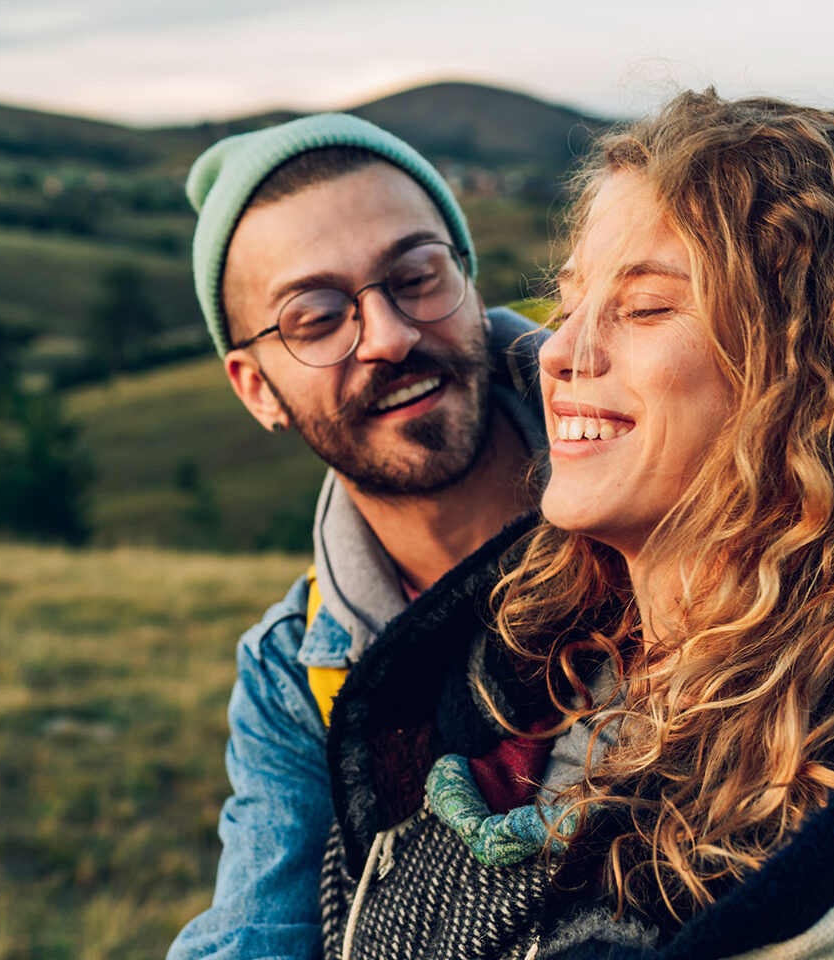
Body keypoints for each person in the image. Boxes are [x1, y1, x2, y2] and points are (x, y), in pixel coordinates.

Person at [319, 90, 834, 960]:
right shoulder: (527, 667)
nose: (562, 350)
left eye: (645, 308)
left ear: (814, 377)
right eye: (568, 302)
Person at [165, 113, 550, 960]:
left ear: (469, 279)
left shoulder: (686, 497)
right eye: (316, 317)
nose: (389, 336)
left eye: (415, 276)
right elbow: (255, 935)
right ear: (255, 388)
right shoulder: (296, 676)